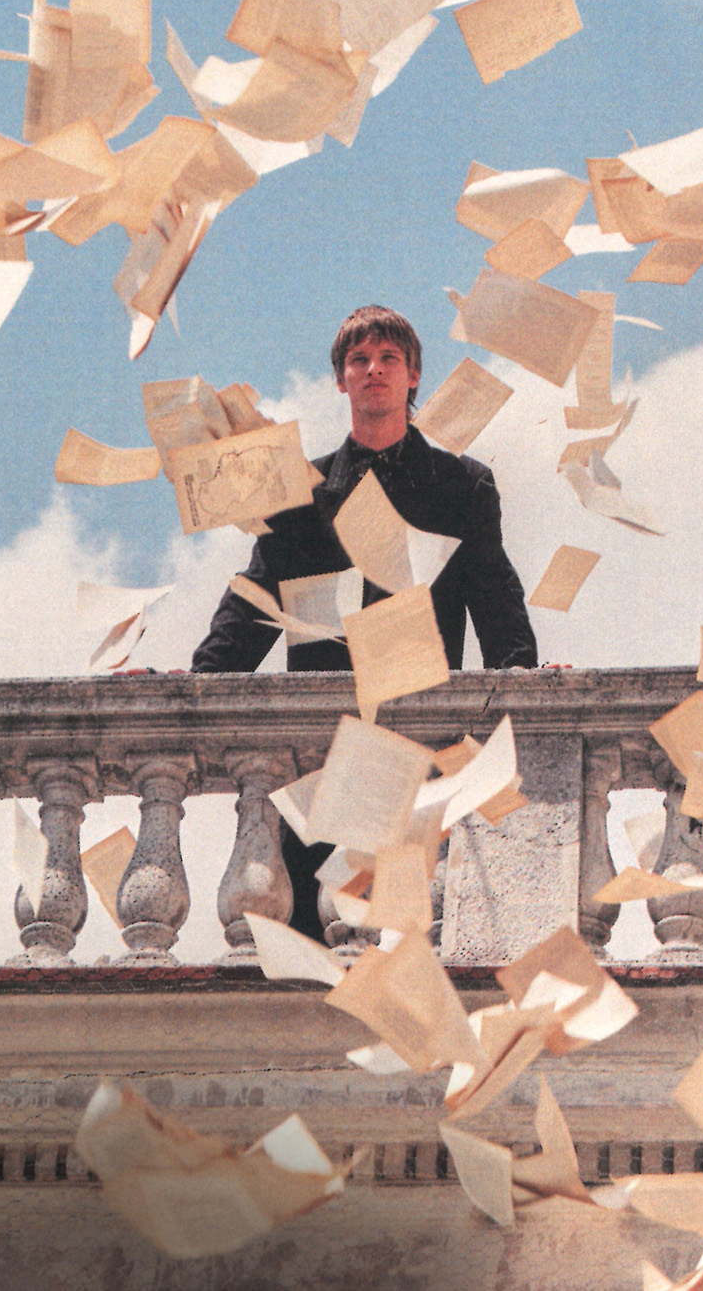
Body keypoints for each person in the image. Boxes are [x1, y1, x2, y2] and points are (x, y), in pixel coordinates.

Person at [192, 305, 537, 937]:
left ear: (413, 376)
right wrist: (196, 679)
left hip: (422, 750)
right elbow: (254, 602)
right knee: (306, 944)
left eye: (388, 358)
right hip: (323, 758)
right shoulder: (301, 492)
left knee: (421, 947)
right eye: (359, 360)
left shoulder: (462, 485)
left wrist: (525, 674)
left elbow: (494, 593)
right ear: (341, 379)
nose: (373, 369)